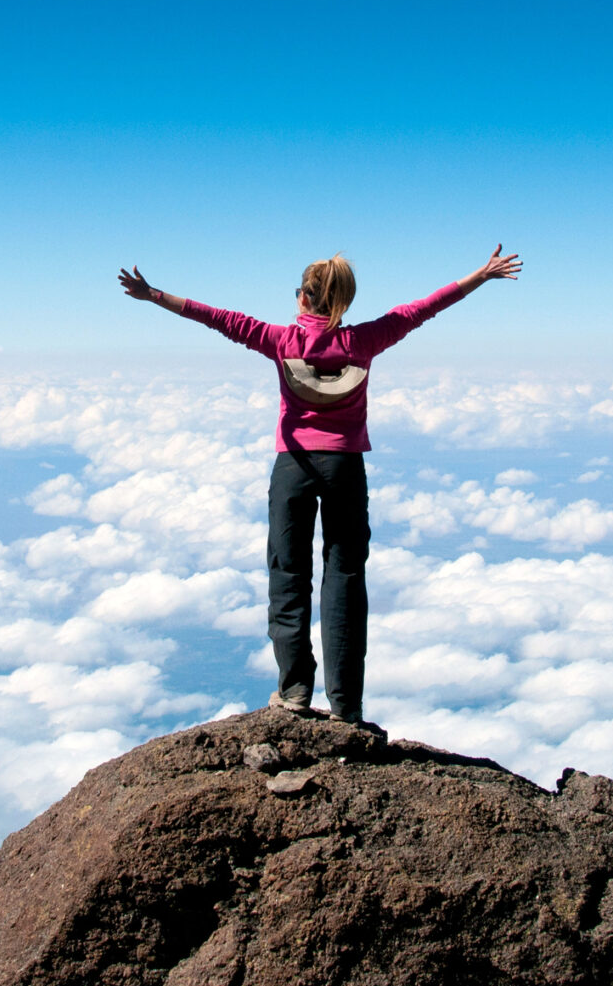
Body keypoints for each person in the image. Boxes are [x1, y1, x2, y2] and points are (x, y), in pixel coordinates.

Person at [118, 245, 522, 725]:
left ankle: (294, 691)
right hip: (346, 468)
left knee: (288, 576)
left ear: (306, 298)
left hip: (293, 467)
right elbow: (424, 308)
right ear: (340, 302)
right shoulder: (365, 341)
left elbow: (215, 317)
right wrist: (480, 274)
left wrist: (152, 295)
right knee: (345, 579)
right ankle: (346, 705)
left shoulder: (279, 339)